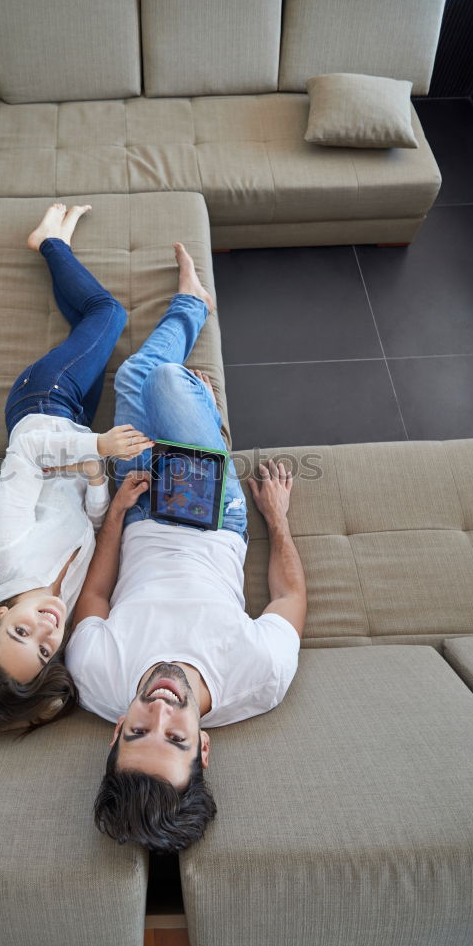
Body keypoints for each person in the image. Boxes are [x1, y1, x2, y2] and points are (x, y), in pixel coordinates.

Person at [65, 249, 307, 851]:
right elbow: (288, 595)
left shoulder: (96, 678)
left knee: (129, 380)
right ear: (203, 746)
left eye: (138, 730)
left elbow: (94, 593)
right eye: (174, 737)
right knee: (165, 381)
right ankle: (199, 370)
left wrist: (116, 517)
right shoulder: (261, 676)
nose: (161, 709)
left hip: (137, 506)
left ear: (115, 731)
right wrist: (275, 517)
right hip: (210, 516)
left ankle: (195, 366)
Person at [0, 203, 153, 735]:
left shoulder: (1, 548)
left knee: (110, 315)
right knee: (91, 327)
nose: (46, 631)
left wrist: (100, 443)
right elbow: (87, 526)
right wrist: (94, 479)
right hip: (79, 436)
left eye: (20, 634)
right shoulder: (58, 604)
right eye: (44, 652)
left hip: (42, 403)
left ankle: (48, 241)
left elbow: (25, 452)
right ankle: (53, 243)